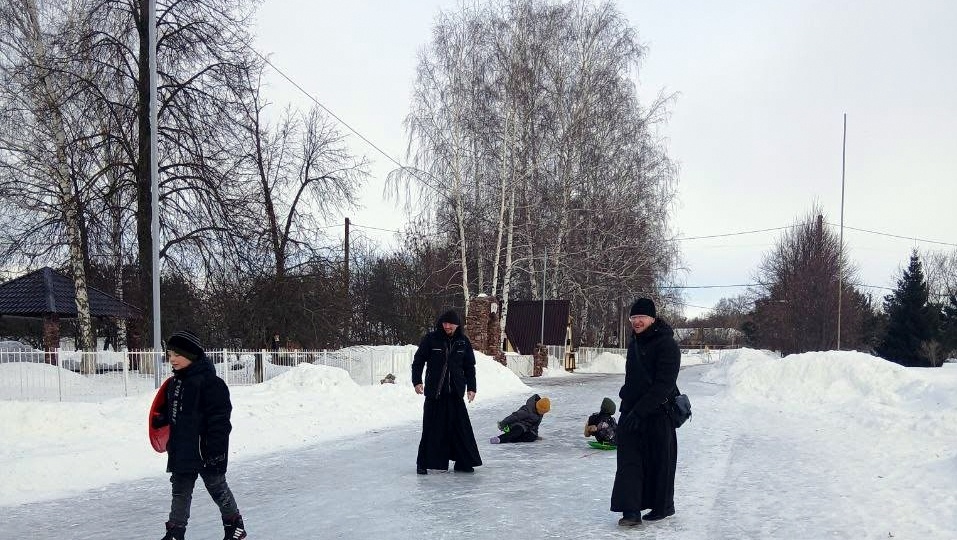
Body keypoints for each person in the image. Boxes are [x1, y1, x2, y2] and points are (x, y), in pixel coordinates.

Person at [152, 330, 247, 540]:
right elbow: (174, 412)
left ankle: (234, 526)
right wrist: (162, 420)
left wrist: (216, 452)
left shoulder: (211, 383)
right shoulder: (175, 384)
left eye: (177, 354)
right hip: (181, 448)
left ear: (192, 355)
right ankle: (175, 532)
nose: (172, 359)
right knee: (180, 491)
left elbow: (220, 422)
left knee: (217, 487)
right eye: (169, 354)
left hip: (205, 450)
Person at [610, 298, 681, 527]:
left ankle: (662, 506)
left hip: (658, 413)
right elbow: (633, 379)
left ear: (652, 318)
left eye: (641, 317)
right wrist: (627, 402)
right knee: (628, 462)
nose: (637, 322)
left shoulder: (667, 345)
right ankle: (631, 512)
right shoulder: (634, 343)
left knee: (659, 461)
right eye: (633, 318)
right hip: (632, 413)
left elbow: (665, 385)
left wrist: (641, 411)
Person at [411, 309, 482, 474]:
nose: (447, 326)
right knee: (431, 429)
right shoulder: (431, 339)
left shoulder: (463, 342)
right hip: (435, 394)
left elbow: (469, 367)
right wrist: (417, 381)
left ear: (457, 325)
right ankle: (423, 463)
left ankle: (463, 462)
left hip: (455, 393)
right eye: (445, 323)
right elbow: (418, 361)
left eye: (450, 323)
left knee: (460, 430)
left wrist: (471, 388)